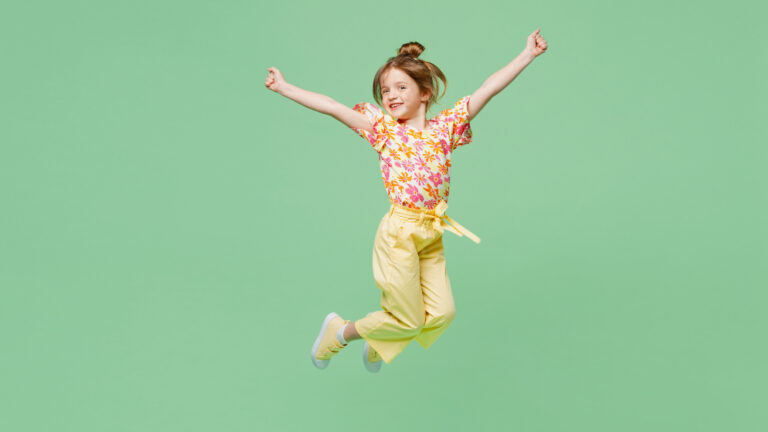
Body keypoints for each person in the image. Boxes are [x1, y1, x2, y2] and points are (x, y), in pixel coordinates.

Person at [264, 30, 548, 372]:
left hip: (431, 232)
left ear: (425, 93)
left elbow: (488, 89)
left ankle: (380, 339)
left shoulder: (446, 127)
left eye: (401, 87)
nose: (391, 95)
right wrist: (285, 87)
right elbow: (334, 108)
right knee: (408, 320)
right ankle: (339, 332)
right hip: (399, 232)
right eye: (386, 90)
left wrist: (526, 55)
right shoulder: (385, 131)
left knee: (442, 314)